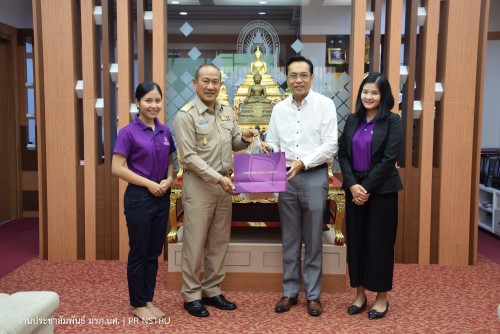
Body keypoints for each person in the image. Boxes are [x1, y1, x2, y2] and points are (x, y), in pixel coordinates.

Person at [173, 64, 258, 318]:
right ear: (195, 83)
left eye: (215, 82)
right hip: (200, 185)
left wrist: (244, 137)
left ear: (221, 84)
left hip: (225, 186)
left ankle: (212, 290)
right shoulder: (185, 116)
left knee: (219, 242)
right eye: (206, 81)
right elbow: (188, 158)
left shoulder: (227, 112)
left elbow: (234, 143)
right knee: (195, 243)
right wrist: (217, 179)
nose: (211, 86)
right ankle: (191, 294)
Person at [261, 56, 338, 317]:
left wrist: (303, 163)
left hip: (314, 177)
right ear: (287, 78)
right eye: (293, 75)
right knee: (290, 238)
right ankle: (290, 292)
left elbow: (330, 145)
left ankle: (313, 296)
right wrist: (267, 147)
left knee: (314, 239)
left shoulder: (325, 105)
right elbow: (273, 141)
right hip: (286, 179)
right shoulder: (278, 109)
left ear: (312, 78)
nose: (298, 80)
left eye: (303, 75)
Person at [338, 72, 403, 320]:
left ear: (383, 95)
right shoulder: (352, 119)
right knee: (357, 244)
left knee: (380, 246)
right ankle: (360, 294)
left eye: (374, 92)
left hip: (382, 193)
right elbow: (343, 154)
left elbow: (389, 159)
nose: (369, 96)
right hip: (355, 191)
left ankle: (381, 298)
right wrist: (353, 185)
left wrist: (365, 189)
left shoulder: (393, 121)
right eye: (365, 92)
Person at [111, 81, 176, 321]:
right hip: (139, 197)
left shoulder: (165, 131)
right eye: (148, 100)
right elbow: (117, 168)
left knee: (153, 252)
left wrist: (169, 179)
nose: (154, 105)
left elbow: (170, 163)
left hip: (162, 195)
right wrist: (149, 184)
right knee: (139, 252)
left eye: (157, 100)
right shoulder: (128, 132)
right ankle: (138, 304)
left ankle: (148, 300)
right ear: (137, 103)